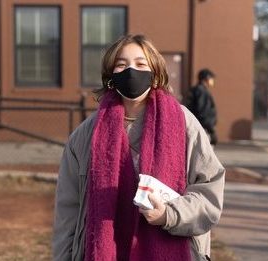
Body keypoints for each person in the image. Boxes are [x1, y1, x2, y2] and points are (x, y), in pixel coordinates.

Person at [53, 34, 225, 261]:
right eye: (121, 65)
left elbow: (209, 194)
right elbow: (68, 213)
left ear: (155, 75)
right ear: (110, 77)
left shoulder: (184, 123)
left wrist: (168, 214)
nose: (131, 71)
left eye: (141, 64)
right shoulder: (85, 136)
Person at [185, 69, 218, 145]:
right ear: (206, 78)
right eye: (211, 78)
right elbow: (203, 112)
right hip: (203, 129)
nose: (212, 81)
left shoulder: (196, 90)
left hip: (197, 127)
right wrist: (211, 130)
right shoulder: (201, 91)